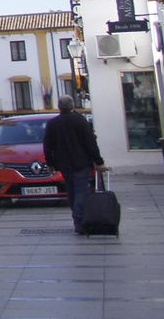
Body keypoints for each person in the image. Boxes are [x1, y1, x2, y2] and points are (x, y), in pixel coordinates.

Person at [41, 95, 108, 234]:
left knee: (71, 192)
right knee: (81, 191)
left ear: (59, 107)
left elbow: (47, 145)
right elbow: (91, 143)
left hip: (64, 164)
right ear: (72, 106)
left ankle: (77, 219)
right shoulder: (80, 121)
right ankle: (79, 220)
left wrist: (50, 163)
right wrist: (99, 162)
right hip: (81, 162)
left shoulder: (53, 123)